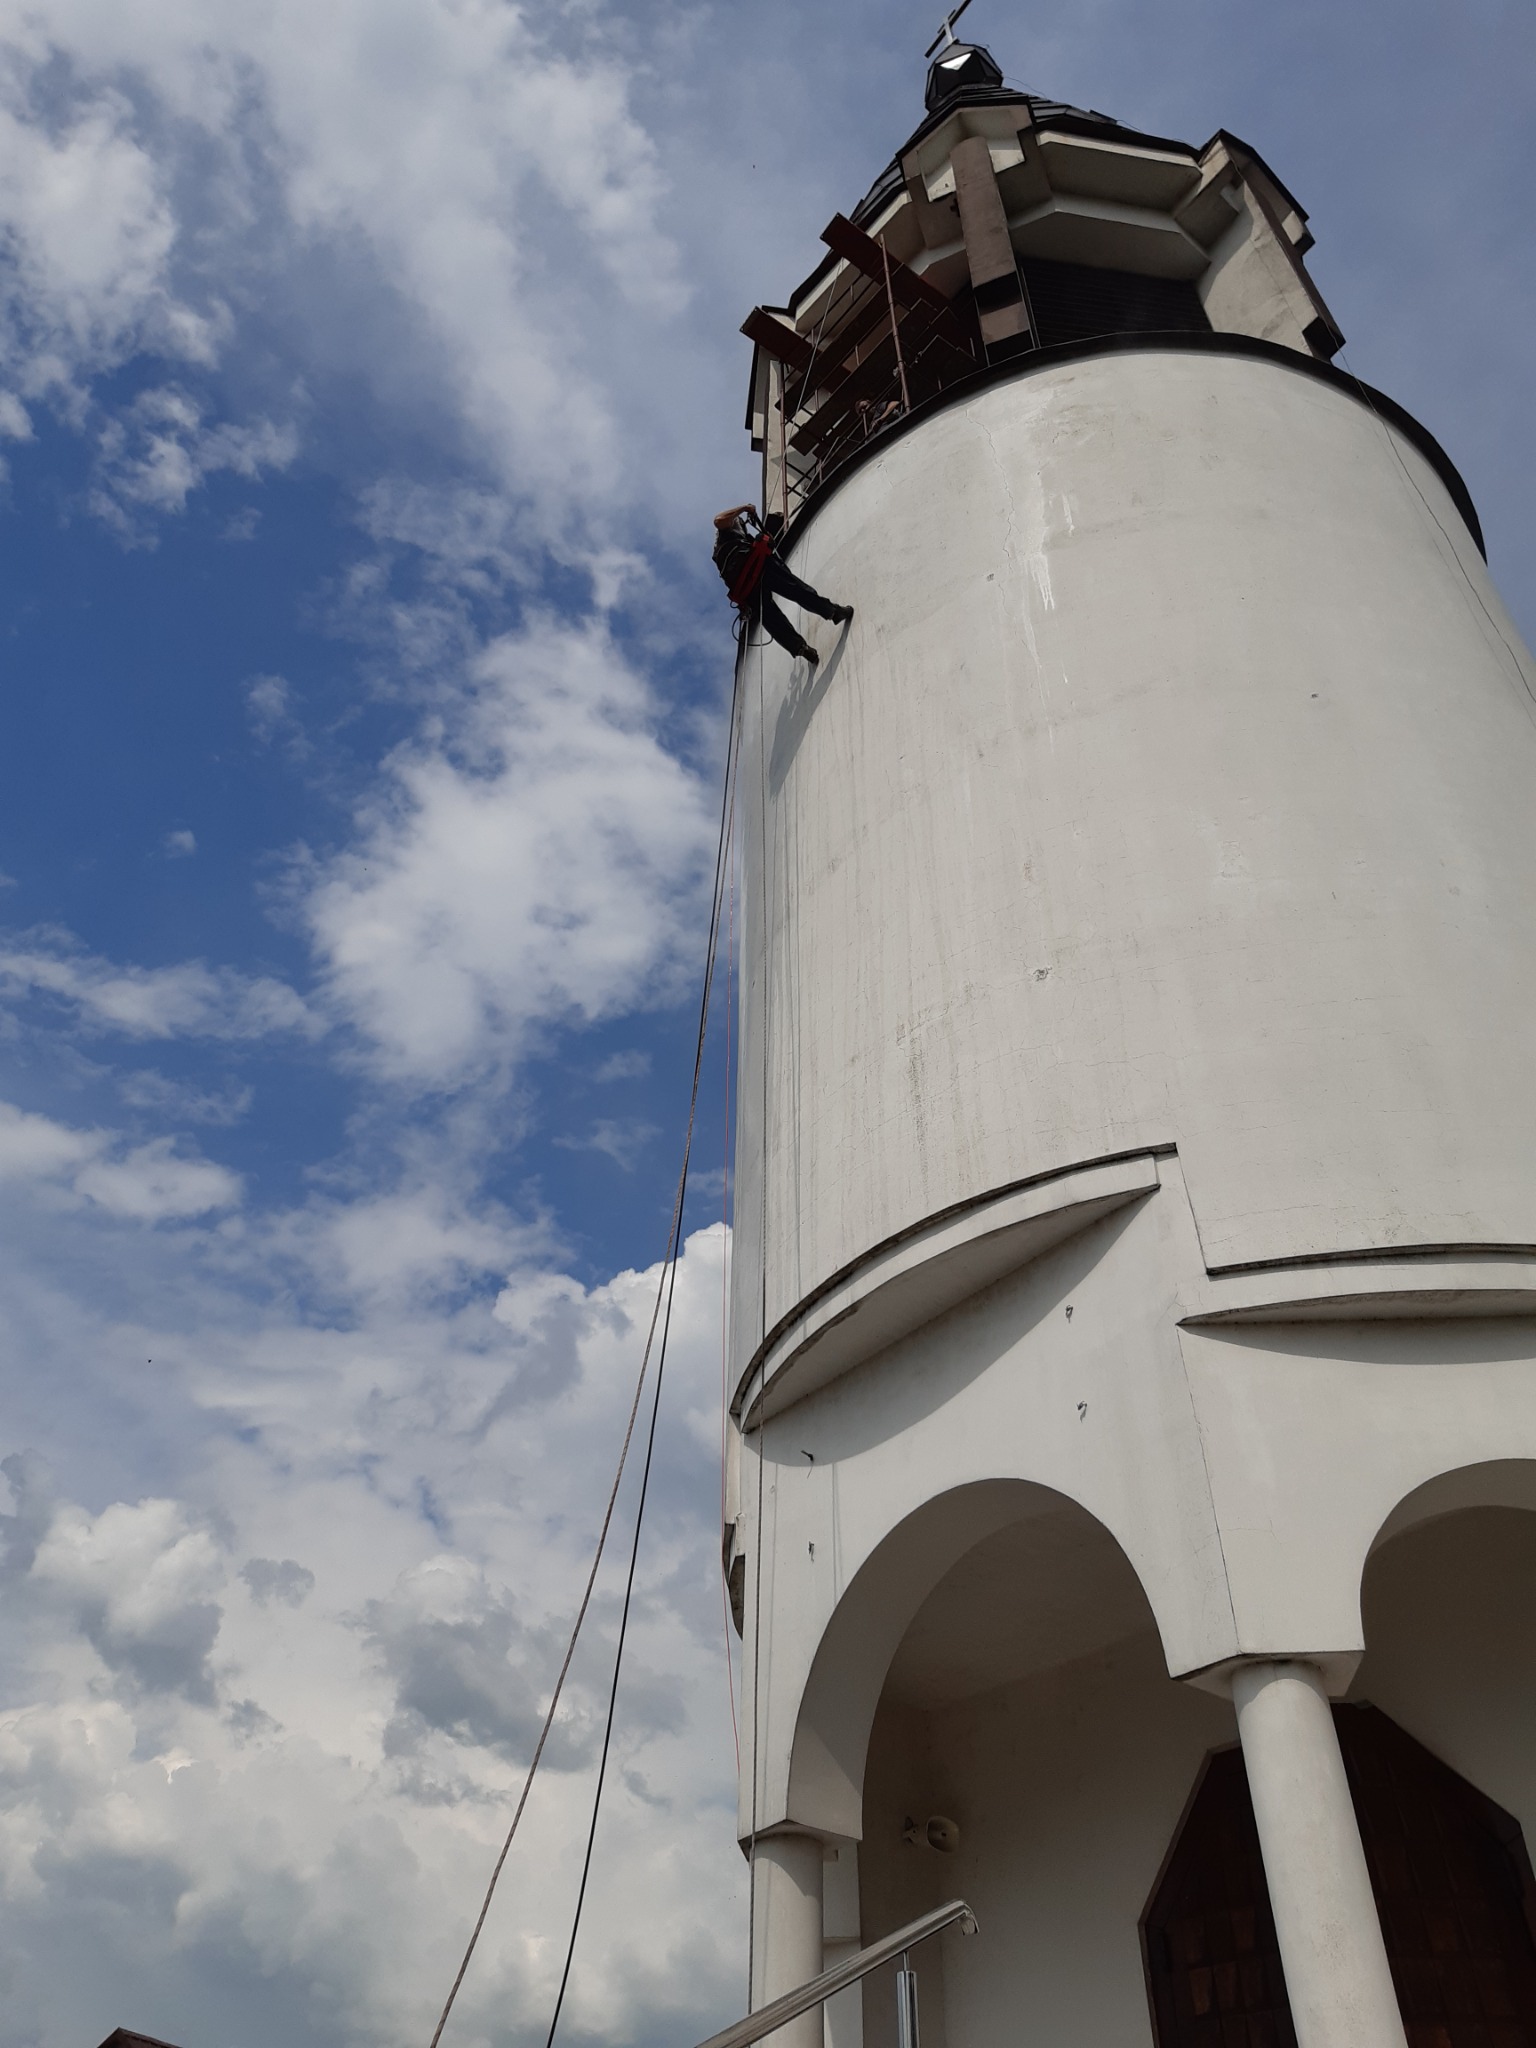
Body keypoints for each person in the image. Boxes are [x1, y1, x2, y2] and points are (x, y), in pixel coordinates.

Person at [713, 502, 852, 667]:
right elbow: (718, 520)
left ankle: (800, 647)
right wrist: (743, 508)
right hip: (759, 567)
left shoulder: (725, 548)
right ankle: (832, 612)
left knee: (772, 619)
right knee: (795, 589)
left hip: (747, 588)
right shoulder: (726, 533)